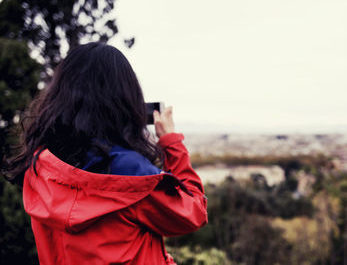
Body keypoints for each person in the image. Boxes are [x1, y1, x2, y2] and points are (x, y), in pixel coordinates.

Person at [5, 42, 208, 264]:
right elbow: (194, 212)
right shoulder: (131, 173)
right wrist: (171, 142)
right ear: (124, 100)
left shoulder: (41, 166)